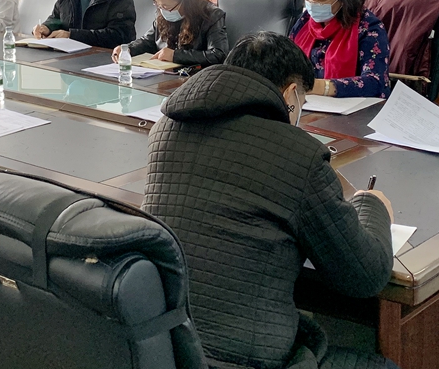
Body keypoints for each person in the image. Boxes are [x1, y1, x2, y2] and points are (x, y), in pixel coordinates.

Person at [143, 32, 396, 369]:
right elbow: (364, 275)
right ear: (291, 94)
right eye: (303, 101)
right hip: (244, 359)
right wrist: (371, 205)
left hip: (165, 346)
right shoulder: (298, 153)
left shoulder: (164, 130)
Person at [289, 0, 391, 98]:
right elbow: (287, 61)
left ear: (343, 0)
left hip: (349, 105)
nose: (312, 3)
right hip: (305, 101)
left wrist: (320, 87)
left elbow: (375, 82)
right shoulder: (305, 20)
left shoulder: (368, 28)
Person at [112, 0, 227, 69]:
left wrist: (175, 55)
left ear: (185, 1)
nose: (162, 10)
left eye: (166, 6)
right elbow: (148, 41)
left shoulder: (211, 16)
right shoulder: (162, 13)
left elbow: (218, 55)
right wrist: (128, 49)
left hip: (195, 77)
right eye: (158, 5)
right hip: (164, 74)